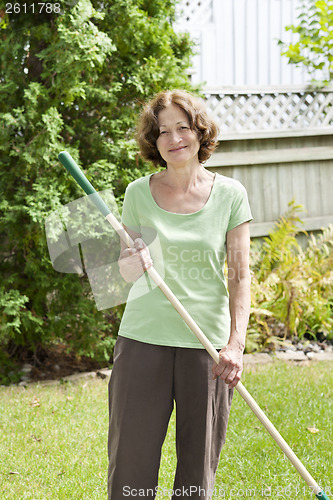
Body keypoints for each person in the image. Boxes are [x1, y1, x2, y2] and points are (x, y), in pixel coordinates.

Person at [108, 89, 252, 500]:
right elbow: (124, 269)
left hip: (205, 346)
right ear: (153, 142)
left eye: (182, 128)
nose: (174, 139)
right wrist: (132, 264)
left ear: (199, 132)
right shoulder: (137, 192)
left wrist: (235, 345)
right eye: (163, 132)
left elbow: (240, 276)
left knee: (196, 469)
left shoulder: (230, 195)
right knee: (130, 464)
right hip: (142, 340)